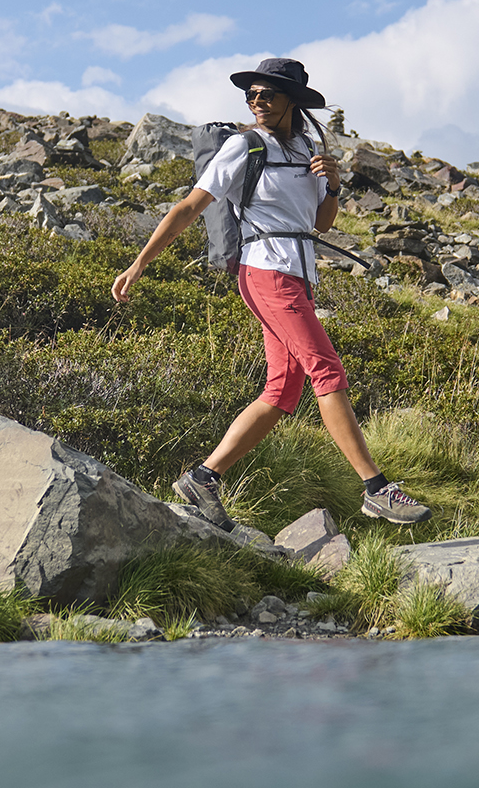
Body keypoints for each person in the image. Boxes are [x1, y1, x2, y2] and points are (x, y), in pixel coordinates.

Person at [112, 56, 431, 528]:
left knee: (283, 390)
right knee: (327, 370)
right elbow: (190, 206)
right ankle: (377, 489)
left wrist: (334, 186)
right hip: (265, 272)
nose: (257, 102)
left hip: (297, 274)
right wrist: (140, 263)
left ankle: (202, 478)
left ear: (292, 102)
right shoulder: (245, 146)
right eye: (251, 95)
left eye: (268, 95)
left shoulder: (307, 149)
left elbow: (318, 225)